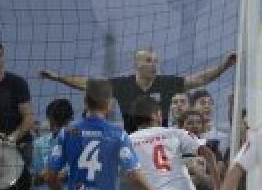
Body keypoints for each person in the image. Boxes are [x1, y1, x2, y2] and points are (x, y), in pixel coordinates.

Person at [40, 46, 236, 134]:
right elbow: (88, 84)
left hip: (160, 141)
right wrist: (58, 77)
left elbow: (199, 79)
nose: (154, 64)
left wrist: (224, 66)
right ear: (136, 64)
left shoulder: (166, 83)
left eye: (156, 61)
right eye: (148, 61)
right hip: (132, 143)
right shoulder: (122, 84)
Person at [30, 99, 74, 190]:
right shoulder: (39, 143)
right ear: (49, 119)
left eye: (60, 124)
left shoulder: (80, 143)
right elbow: (34, 178)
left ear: (70, 120)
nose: (55, 128)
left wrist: (65, 174)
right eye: (53, 123)